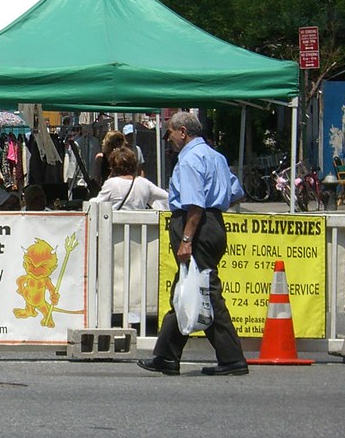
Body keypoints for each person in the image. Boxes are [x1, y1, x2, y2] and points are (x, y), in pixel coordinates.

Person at [138, 111, 248, 377]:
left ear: (183, 132)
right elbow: (235, 192)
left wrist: (187, 239)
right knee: (186, 289)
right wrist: (216, 205)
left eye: (170, 133)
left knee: (204, 291)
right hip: (212, 224)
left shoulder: (188, 160)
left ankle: (231, 358)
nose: (169, 139)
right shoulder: (215, 156)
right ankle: (166, 355)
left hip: (195, 225)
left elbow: (195, 205)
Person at [91, 147, 168, 210]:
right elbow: (166, 197)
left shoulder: (111, 183)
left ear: (113, 167)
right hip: (141, 227)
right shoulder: (144, 183)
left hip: (115, 227)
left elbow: (96, 204)